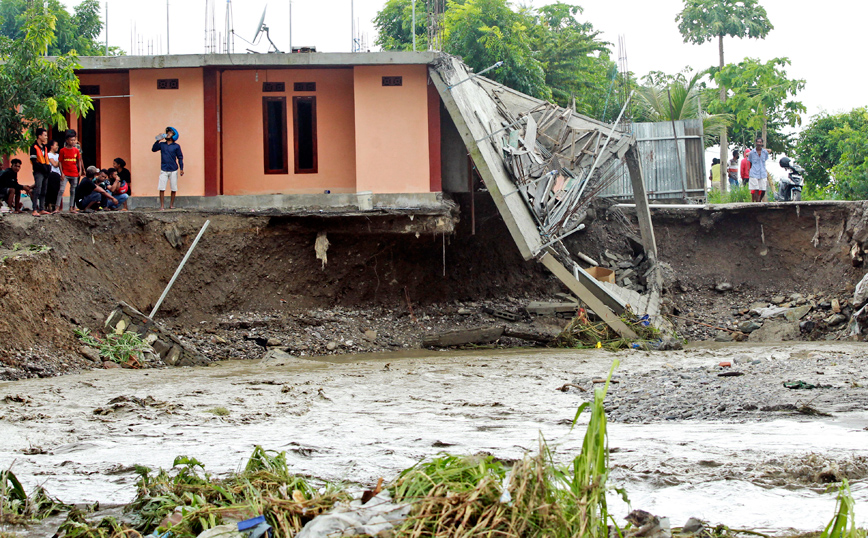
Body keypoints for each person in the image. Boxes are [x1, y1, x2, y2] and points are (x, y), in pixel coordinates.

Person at [151, 126, 184, 210]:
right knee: (162, 187)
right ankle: (162, 206)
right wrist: (158, 140)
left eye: (170, 132)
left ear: (174, 135)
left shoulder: (176, 146)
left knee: (173, 188)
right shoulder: (162, 145)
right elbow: (153, 149)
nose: (168, 134)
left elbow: (180, 157)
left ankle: (171, 205)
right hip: (164, 169)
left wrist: (181, 168)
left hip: (173, 169)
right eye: (168, 132)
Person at [59, 132, 84, 212]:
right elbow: (61, 160)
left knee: (74, 189)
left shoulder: (77, 148)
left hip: (74, 171)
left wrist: (81, 169)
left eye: (74, 139)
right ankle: (58, 207)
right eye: (71, 140)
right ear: (67, 140)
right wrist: (62, 172)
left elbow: (80, 159)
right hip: (66, 171)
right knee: (62, 189)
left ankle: (72, 207)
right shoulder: (63, 149)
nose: (73, 141)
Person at [29, 127, 50, 216]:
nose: (46, 137)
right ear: (39, 136)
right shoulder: (34, 147)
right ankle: (34, 209)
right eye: (44, 135)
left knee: (44, 190)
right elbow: (34, 161)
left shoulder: (44, 147)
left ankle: (41, 208)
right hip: (38, 171)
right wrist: (42, 167)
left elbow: (46, 159)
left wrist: (48, 168)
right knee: (37, 189)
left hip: (45, 171)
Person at [748, 136, 770, 203]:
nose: (759, 143)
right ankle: (757, 202)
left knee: (763, 189)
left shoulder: (765, 152)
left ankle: (759, 200)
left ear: (762, 143)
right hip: (754, 172)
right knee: (756, 188)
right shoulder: (752, 153)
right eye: (757, 142)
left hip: (762, 172)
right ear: (755, 143)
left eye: (760, 142)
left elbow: (765, 159)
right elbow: (750, 161)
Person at [45, 140, 62, 213]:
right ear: (51, 146)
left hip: (59, 174)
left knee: (58, 191)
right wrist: (61, 160)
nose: (57, 147)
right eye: (56, 145)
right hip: (52, 175)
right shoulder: (49, 155)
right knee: (52, 191)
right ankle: (49, 205)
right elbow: (55, 164)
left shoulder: (58, 155)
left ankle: (56, 206)